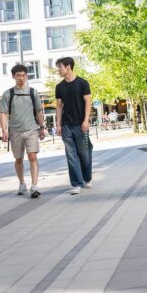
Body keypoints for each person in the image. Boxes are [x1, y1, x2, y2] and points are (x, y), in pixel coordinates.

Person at [0, 64, 47, 198]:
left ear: (27, 76)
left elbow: (39, 110)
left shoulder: (33, 92)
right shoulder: (8, 94)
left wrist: (42, 127)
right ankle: (22, 183)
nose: (21, 78)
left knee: (32, 156)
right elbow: (3, 113)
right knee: (18, 159)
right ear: (13, 77)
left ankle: (34, 186)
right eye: (18, 75)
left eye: (24, 75)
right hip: (15, 131)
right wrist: (4, 130)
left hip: (31, 129)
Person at [55, 56, 94, 195]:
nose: (58, 70)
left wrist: (86, 120)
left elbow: (88, 102)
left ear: (68, 67)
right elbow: (59, 106)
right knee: (71, 155)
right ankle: (76, 183)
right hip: (66, 126)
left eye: (60, 67)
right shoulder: (59, 87)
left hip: (81, 124)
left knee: (84, 153)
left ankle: (87, 178)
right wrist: (58, 124)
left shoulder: (83, 83)